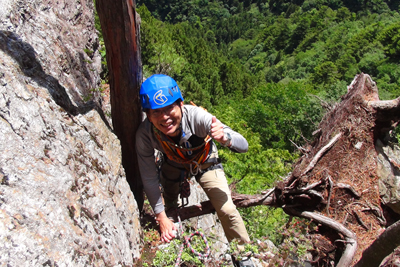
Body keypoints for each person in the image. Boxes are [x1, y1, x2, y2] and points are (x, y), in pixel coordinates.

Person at [136, 74, 254, 265]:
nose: (165, 117)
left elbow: (244, 145)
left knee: (227, 209)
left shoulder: (197, 117)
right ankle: (171, 216)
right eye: (156, 112)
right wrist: (161, 217)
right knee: (169, 203)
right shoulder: (145, 135)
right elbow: (148, 177)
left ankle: (244, 257)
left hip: (205, 162)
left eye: (169, 108)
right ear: (148, 116)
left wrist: (226, 138)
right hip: (174, 163)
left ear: (181, 105)